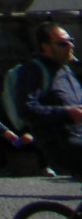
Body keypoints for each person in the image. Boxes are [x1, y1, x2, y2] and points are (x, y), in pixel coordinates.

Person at [20, 23, 82, 176]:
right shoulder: (34, 70)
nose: (69, 46)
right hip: (62, 143)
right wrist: (67, 113)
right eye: (62, 43)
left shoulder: (66, 69)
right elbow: (26, 108)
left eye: (71, 41)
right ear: (46, 47)